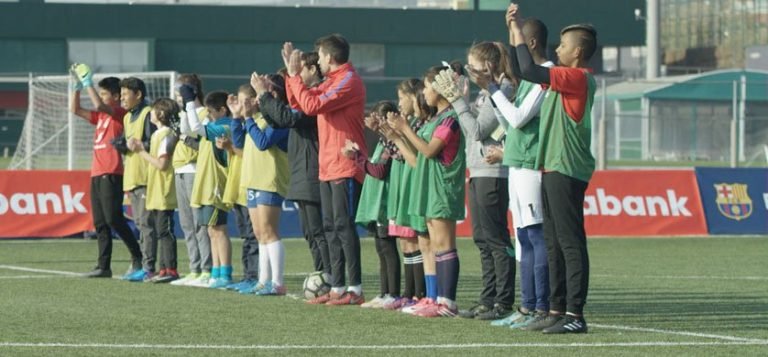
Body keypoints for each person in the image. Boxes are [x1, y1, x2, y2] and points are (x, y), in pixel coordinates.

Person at [508, 3, 597, 334]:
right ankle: (557, 309)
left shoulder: (576, 77)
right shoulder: (566, 79)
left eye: (563, 46)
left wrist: (518, 31)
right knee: (554, 240)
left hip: (566, 167)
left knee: (570, 242)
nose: (557, 50)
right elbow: (524, 72)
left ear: (578, 52)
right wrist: (514, 31)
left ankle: (576, 314)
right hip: (552, 167)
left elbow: (530, 71)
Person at [432, 43, 517, 321]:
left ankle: (502, 301)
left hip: (493, 174)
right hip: (478, 171)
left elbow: (478, 130)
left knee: (495, 238)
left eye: (473, 66)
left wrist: (457, 101)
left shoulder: (503, 91)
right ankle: (488, 298)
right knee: (482, 238)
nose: (468, 71)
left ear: (489, 67)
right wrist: (464, 101)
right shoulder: (485, 93)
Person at [283, 34, 367, 305]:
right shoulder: (332, 81)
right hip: (327, 165)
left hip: (345, 164)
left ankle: (355, 288)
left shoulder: (348, 81)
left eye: (319, 56)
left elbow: (312, 104)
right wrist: (290, 76)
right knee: (330, 227)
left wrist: (296, 77)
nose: (317, 61)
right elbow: (299, 105)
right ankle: (337, 286)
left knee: (343, 226)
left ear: (329, 57)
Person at [480, 18, 553, 329]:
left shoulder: (545, 76)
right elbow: (510, 123)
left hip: (533, 166)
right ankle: (526, 307)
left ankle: (541, 307)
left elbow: (521, 118)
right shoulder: (527, 81)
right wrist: (494, 94)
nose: (512, 52)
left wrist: (494, 90)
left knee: (536, 236)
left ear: (531, 43)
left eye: (517, 41)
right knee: (523, 235)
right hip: (518, 164)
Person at [388, 66, 466, 317]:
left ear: (441, 89)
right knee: (435, 244)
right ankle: (437, 299)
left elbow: (431, 150)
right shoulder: (436, 118)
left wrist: (405, 129)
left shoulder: (450, 119)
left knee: (444, 244)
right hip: (430, 187)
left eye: (428, 86)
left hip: (442, 187)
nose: (424, 91)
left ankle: (447, 302)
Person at [259, 53, 331, 279]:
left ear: (312, 69)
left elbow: (288, 118)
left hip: (313, 170)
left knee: (319, 230)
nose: (296, 76)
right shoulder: (304, 100)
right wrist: (265, 100)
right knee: (309, 231)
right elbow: (278, 119)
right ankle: (322, 272)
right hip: (301, 170)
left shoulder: (316, 99)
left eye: (299, 71)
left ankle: (329, 275)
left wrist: (264, 96)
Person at [69, 64, 142, 278]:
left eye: (104, 93)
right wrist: (76, 87)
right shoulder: (100, 118)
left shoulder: (119, 112)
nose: (100, 96)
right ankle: (104, 266)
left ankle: (137, 256)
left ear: (116, 96)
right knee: (100, 222)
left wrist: (87, 83)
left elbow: (100, 105)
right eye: (99, 92)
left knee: (114, 219)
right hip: (96, 173)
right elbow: (75, 110)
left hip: (112, 171)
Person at [235, 74, 290, 296]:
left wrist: (248, 119)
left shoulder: (276, 118)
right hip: (252, 180)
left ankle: (277, 282)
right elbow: (239, 142)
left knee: (269, 230)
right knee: (259, 232)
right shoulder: (255, 118)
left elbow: (263, 143)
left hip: (269, 178)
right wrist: (237, 117)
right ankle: (263, 280)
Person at [347, 101, 401, 309]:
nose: (370, 121)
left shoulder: (390, 141)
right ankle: (384, 292)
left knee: (388, 247)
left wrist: (358, 158)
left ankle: (393, 294)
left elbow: (379, 171)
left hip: (386, 202)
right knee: (380, 246)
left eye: (375, 118)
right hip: (378, 203)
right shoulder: (381, 141)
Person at [181, 90, 233, 289]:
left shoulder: (224, 126)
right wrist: (186, 109)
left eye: (212, 112)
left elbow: (195, 126)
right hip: (205, 185)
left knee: (219, 230)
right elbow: (189, 129)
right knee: (212, 230)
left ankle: (225, 273)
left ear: (223, 110)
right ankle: (216, 272)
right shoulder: (212, 125)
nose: (209, 116)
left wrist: (189, 103)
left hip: (216, 185)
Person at [128, 98, 180, 283]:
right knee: (160, 230)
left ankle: (171, 269)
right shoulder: (159, 135)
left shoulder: (166, 134)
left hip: (164, 190)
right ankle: (163, 269)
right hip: (157, 190)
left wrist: (141, 152)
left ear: (161, 114)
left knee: (165, 231)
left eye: (153, 110)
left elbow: (162, 164)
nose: (150, 113)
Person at [169, 74, 213, 287]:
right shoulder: (182, 113)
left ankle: (207, 269)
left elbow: (204, 146)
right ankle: (194, 268)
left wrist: (185, 138)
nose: (178, 96)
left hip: (195, 170)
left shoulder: (204, 113)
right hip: (180, 170)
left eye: (181, 91)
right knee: (186, 224)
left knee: (199, 223)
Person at [117, 77, 158, 282]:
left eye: (125, 94)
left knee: (146, 224)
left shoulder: (147, 113)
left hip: (145, 177)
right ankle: (143, 264)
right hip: (131, 177)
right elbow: (128, 145)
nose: (122, 98)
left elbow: (155, 143)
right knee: (141, 224)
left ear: (138, 94)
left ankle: (149, 267)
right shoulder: (127, 118)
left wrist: (142, 143)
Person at [220, 84, 260, 294]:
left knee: (254, 236)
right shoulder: (243, 123)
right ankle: (248, 275)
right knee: (246, 235)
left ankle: (255, 276)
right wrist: (235, 117)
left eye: (245, 101)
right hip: (238, 184)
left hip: (251, 184)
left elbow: (246, 152)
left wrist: (230, 147)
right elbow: (237, 146)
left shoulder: (258, 123)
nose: (241, 105)